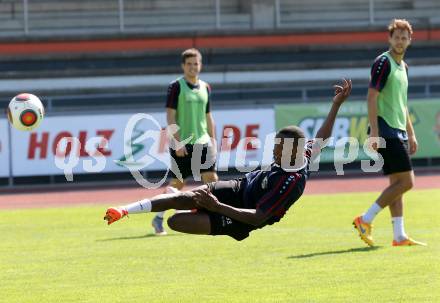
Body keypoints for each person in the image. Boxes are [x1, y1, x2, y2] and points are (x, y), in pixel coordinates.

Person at [103, 79, 352, 241]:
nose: (274, 152)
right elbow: (323, 137)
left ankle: (195, 206)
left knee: (175, 221)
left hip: (241, 216)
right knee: (183, 196)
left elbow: (258, 217)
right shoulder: (304, 152)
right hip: (239, 186)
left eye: (278, 148)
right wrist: (336, 105)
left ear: (293, 150)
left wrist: (215, 206)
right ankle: (125, 210)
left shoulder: (291, 182)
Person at [353, 19, 426, 247]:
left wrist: (411, 133)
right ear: (389, 39)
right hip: (385, 130)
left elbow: (403, 104)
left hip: (399, 130)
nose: (400, 41)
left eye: (404, 38)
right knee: (407, 182)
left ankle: (399, 235)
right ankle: (365, 219)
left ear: (409, 40)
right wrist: (374, 133)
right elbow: (372, 96)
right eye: (397, 37)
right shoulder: (382, 62)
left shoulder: (404, 67)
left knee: (397, 184)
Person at [151, 48, 219, 235]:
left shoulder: (206, 87)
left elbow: (208, 116)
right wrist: (178, 142)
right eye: (189, 64)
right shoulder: (176, 86)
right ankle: (158, 218)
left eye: (195, 63)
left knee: (211, 180)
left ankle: (211, 217)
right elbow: (170, 117)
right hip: (182, 143)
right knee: (177, 185)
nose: (192, 67)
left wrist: (213, 140)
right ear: (183, 66)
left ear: (200, 65)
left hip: (203, 141)